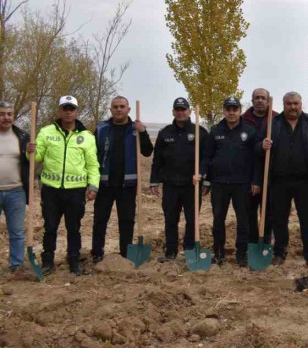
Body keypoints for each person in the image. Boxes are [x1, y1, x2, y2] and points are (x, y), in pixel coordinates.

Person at [255, 92, 308, 266]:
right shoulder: (272, 124)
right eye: (289, 104)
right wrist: (261, 145)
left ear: (301, 104)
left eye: (296, 103)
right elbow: (256, 147)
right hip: (279, 181)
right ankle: (280, 253)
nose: (293, 107)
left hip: (306, 181)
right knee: (279, 219)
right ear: (283, 104)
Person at [29, 95, 100, 275]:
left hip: (76, 192)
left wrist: (93, 186)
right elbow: (35, 158)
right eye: (65, 108)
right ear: (59, 110)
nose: (68, 112)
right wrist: (30, 151)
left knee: (73, 228)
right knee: (50, 226)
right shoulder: (47, 132)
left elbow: (92, 164)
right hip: (51, 190)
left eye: (71, 109)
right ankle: (47, 262)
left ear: (76, 111)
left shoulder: (87, 136)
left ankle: (74, 260)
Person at [91, 96, 153, 263]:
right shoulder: (101, 128)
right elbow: (91, 154)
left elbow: (147, 151)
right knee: (100, 220)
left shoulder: (135, 129)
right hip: (104, 184)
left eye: (122, 106)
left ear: (128, 109)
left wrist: (143, 131)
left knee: (126, 221)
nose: (119, 109)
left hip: (128, 185)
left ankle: (125, 254)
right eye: (115, 106)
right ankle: (97, 253)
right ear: (111, 109)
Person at [149, 97, 208, 263]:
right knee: (170, 219)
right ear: (173, 112)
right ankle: (171, 251)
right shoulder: (165, 133)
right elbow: (157, 160)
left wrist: (203, 175)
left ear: (189, 111)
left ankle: (190, 250)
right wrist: (154, 180)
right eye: (178, 109)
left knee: (192, 219)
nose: (181, 112)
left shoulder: (199, 132)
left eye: (184, 109)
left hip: (192, 185)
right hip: (170, 185)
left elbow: (206, 158)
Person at [202, 97, 257, 266]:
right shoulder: (215, 131)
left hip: (242, 183)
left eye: (235, 109)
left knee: (243, 220)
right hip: (219, 183)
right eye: (228, 109)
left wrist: (255, 181)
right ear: (224, 111)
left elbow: (256, 159)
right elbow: (207, 157)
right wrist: (206, 181)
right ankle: (218, 253)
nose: (231, 113)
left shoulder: (250, 131)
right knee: (218, 218)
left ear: (240, 111)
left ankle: (242, 254)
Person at [242, 88, 279, 245]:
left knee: (269, 211)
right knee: (250, 211)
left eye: (263, 98)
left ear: (268, 100)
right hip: (248, 173)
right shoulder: (243, 120)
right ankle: (252, 243)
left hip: (271, 173)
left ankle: (265, 242)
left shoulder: (277, 119)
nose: (260, 101)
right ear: (252, 100)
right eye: (257, 98)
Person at [0, 101, 31, 272]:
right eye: (2, 114)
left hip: (16, 191)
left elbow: (30, 162)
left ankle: (16, 266)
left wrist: (31, 152)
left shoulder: (22, 137)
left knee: (17, 232)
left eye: (9, 114)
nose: (6, 117)